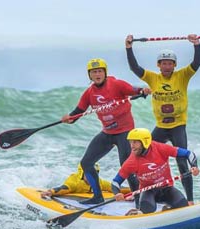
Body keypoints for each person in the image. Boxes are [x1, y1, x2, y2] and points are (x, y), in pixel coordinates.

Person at [125, 34, 200, 205]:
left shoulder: (182, 76)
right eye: (163, 63)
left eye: (170, 63)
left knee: (182, 162)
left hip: (178, 127)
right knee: (139, 156)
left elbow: (197, 64)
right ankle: (138, 194)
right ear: (158, 65)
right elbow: (134, 68)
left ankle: (190, 200)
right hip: (160, 127)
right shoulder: (153, 78)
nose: (167, 66)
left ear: (174, 65)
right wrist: (128, 48)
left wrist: (196, 45)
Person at [61, 58, 150, 204]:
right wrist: (69, 118)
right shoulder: (89, 93)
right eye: (94, 72)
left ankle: (139, 199)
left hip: (125, 132)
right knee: (86, 163)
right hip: (107, 133)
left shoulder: (116, 84)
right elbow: (78, 112)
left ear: (105, 72)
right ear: (90, 75)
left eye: (100, 71)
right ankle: (97, 197)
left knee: (127, 165)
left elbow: (134, 90)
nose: (97, 74)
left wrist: (143, 90)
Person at [111, 128, 199, 214]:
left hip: (166, 188)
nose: (132, 146)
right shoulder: (131, 162)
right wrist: (117, 193)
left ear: (144, 142)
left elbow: (189, 154)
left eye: (135, 142)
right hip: (148, 191)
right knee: (147, 209)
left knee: (183, 205)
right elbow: (115, 182)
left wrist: (194, 166)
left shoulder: (160, 148)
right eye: (130, 142)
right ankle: (138, 212)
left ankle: (167, 210)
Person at [40, 163, 113, 198]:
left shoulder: (99, 182)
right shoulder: (75, 182)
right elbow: (63, 188)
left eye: (95, 173)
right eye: (89, 174)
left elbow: (113, 187)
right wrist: (51, 192)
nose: (92, 176)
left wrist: (123, 193)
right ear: (82, 173)